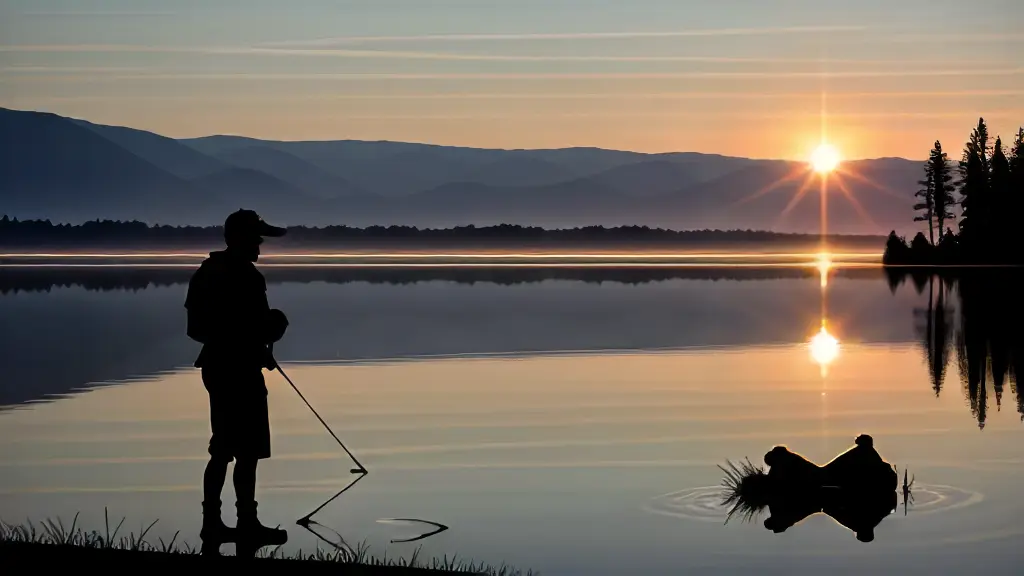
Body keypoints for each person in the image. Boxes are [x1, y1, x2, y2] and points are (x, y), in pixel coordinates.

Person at [184, 209, 291, 547]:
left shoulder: (208, 272)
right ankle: (228, 524)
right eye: (256, 237)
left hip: (222, 368)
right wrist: (266, 330)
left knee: (236, 450)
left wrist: (260, 337)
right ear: (239, 238)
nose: (260, 244)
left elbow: (197, 330)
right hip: (234, 371)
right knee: (233, 450)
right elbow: (209, 328)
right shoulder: (242, 276)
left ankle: (231, 524)